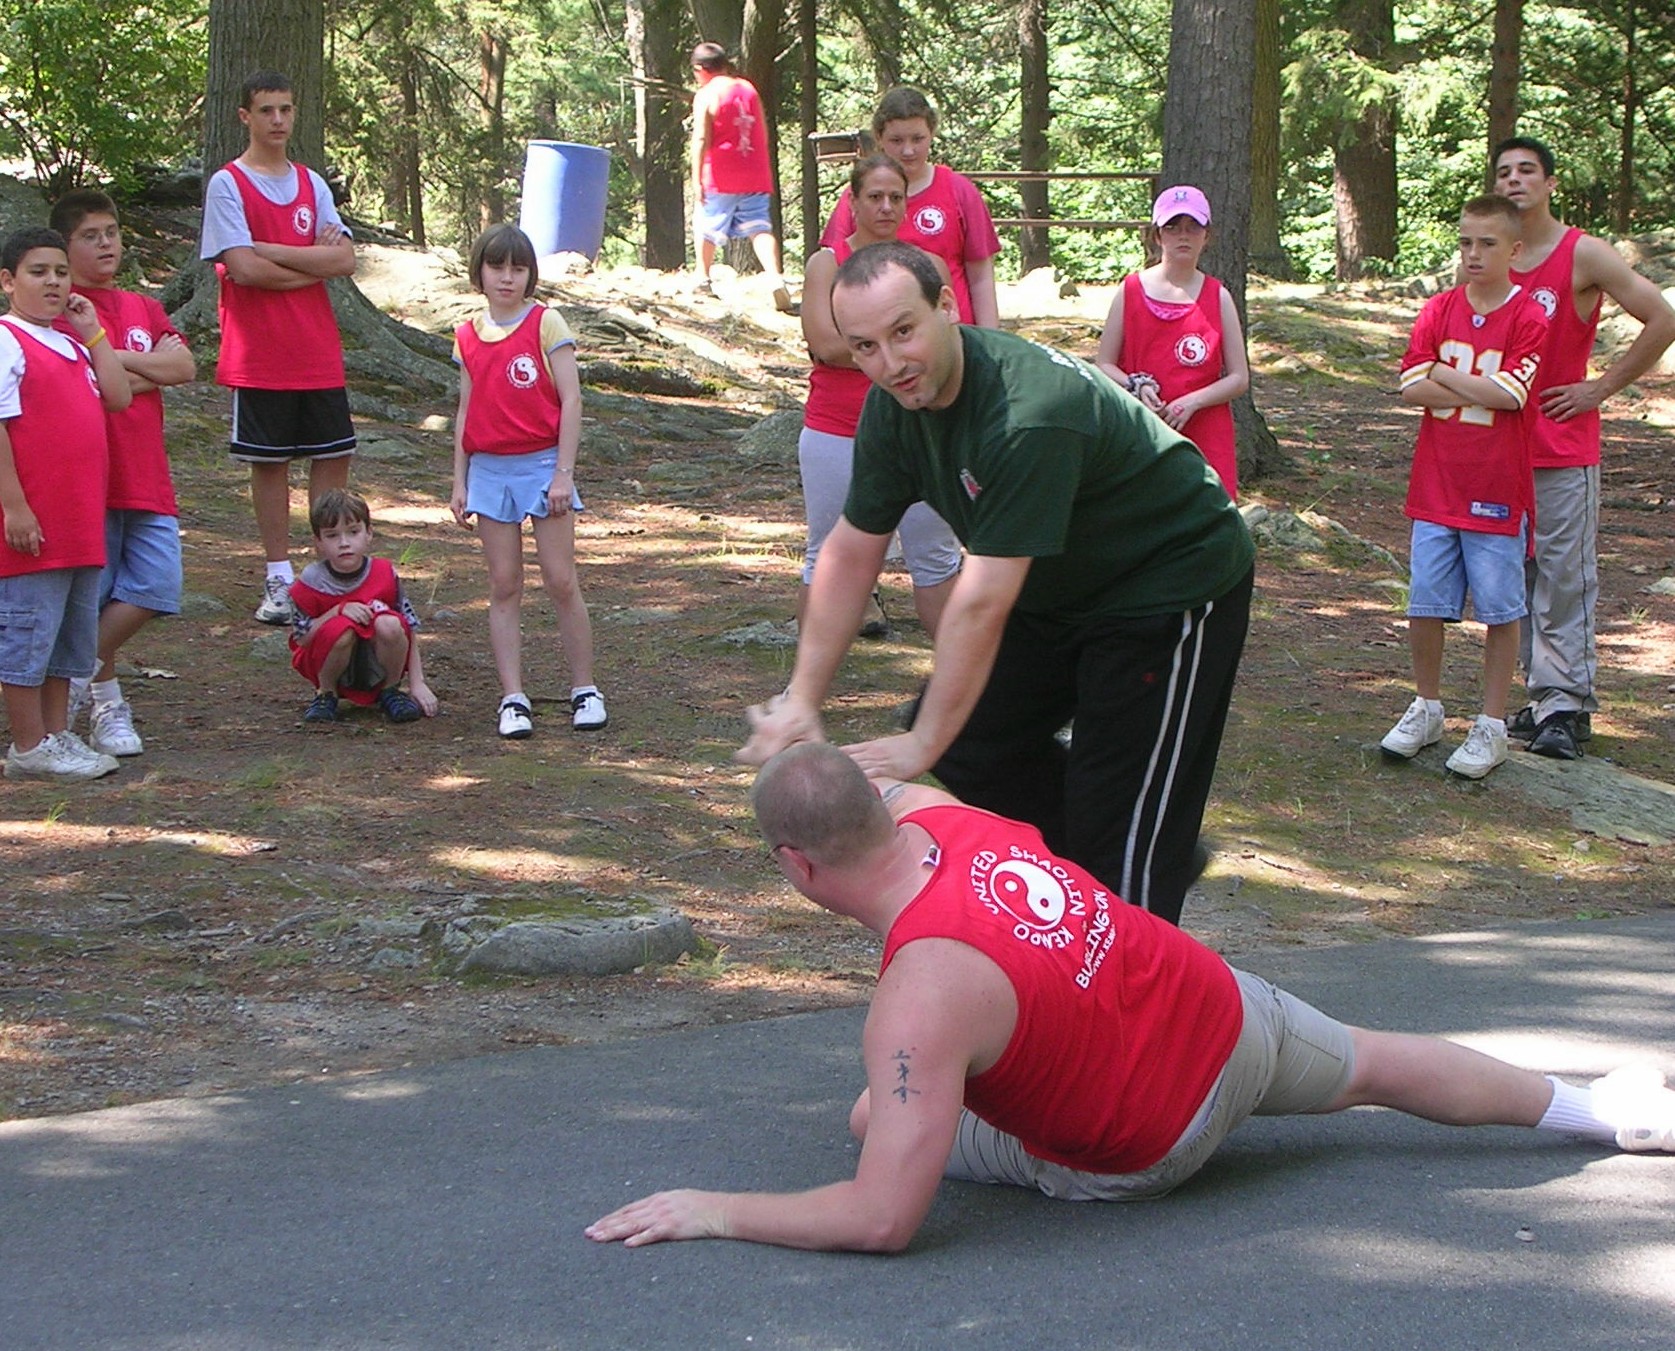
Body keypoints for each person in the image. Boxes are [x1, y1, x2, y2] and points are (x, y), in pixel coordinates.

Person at [587, 744, 1675, 1252]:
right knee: (1375, 1063)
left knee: (879, 1118)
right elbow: (895, 777)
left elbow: (883, 1219)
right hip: (1228, 1018)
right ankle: (1594, 1109)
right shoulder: (944, 815)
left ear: (796, 867)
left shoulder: (915, 1002)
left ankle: (1596, 1109)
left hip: (1151, 1141)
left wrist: (714, 1209)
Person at [739, 242, 1254, 927]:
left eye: (902, 332)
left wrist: (920, 747)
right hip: (1055, 584)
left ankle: (1131, 926)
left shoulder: (1025, 412)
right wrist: (802, 696)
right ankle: (1114, 859)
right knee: (971, 738)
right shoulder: (894, 410)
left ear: (947, 306)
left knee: (1117, 844)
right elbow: (850, 553)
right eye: (863, 347)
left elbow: (980, 600)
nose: (889, 364)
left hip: (1166, 585)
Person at [1491, 136, 1675, 760]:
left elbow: (1662, 317)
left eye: (1527, 171)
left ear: (1549, 183)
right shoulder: (1491, 256)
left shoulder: (1583, 254)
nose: (1515, 180)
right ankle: (1541, 698)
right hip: (1495, 450)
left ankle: (1566, 705)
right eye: (1504, 173)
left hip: (1562, 446)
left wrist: (1600, 388)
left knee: (1563, 577)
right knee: (1510, 577)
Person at [1379, 195, 1549, 780]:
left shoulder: (1529, 316)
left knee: (1501, 608)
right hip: (1436, 484)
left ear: (1514, 251)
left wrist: (1445, 375)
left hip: (1497, 488)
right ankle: (1426, 706)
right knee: (1425, 601)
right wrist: (1475, 385)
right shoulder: (1438, 308)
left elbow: (1511, 397)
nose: (1474, 254)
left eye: (1488, 244)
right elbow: (1408, 386)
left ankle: (1492, 723)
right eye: (1466, 243)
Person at [199, 69, 358, 627]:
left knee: (331, 457)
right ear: (245, 116)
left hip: (317, 349)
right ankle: (277, 575)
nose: (277, 121)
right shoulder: (228, 184)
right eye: (265, 110)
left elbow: (342, 260)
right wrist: (302, 263)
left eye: (285, 110)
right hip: (259, 352)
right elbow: (241, 268)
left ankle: (330, 571)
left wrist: (269, 251)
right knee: (268, 466)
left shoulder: (312, 184)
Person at [49, 189, 195, 759]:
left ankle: (75, 674)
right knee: (97, 597)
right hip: (92, 478)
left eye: (110, 231)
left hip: (147, 476)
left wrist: (112, 361)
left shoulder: (141, 307)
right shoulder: (61, 310)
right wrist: (141, 370)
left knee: (159, 587)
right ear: (65, 246)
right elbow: (91, 388)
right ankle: (107, 707)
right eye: (91, 235)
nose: (106, 242)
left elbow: (182, 366)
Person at [452, 224, 606, 739]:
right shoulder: (468, 334)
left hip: (543, 466)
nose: (507, 278)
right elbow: (466, 410)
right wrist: (460, 480)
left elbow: (571, 400)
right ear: (480, 271)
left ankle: (584, 688)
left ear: (529, 275)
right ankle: (513, 697)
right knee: (504, 584)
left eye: (518, 268)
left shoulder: (547, 323)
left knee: (561, 580)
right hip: (490, 469)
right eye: (497, 267)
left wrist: (564, 472)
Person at [800, 154, 960, 637]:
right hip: (836, 426)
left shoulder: (926, 266)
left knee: (936, 556)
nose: (886, 207)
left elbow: (949, 341)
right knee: (826, 552)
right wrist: (904, 346)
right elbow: (825, 344)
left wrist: (869, 349)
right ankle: (803, 693)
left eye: (896, 197)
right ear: (852, 202)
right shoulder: (827, 264)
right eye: (874, 196)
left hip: (921, 425)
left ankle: (960, 689)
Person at [0, 226, 133, 780]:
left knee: (67, 636)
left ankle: (57, 735)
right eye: (38, 272)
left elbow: (120, 397)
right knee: (28, 630)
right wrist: (15, 507)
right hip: (36, 523)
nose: (53, 282)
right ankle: (28, 744)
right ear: (8, 282)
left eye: (60, 271)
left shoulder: (72, 344)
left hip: (80, 522)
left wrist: (94, 333)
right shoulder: (8, 340)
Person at [1094, 185, 1249, 499]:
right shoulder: (1131, 290)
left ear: (1207, 236)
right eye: (1173, 227)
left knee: (1204, 517)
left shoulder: (1218, 297)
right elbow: (1104, 364)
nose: (1183, 235)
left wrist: (1193, 401)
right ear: (1157, 235)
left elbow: (1238, 378)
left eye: (1193, 227)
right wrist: (1135, 385)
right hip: (1142, 428)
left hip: (1204, 431)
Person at [820, 87, 1002, 327]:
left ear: (932, 134)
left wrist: (988, 344)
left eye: (918, 139)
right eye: (896, 140)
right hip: (881, 338)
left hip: (951, 335)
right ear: (879, 138)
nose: (908, 151)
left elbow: (980, 277)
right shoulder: (857, 197)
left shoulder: (959, 191)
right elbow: (835, 267)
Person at [288, 488, 436, 725]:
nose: (344, 543)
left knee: (389, 623)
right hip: (328, 657)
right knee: (342, 631)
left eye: (353, 532)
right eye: (332, 535)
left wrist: (418, 683)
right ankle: (326, 695)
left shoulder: (384, 573)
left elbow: (408, 625)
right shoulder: (311, 580)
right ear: (319, 542)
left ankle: (390, 690)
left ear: (368, 534)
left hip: (376, 658)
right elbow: (302, 638)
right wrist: (336, 612)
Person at [688, 42, 792, 312]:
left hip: (721, 173)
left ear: (700, 70)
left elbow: (701, 137)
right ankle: (774, 276)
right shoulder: (748, 89)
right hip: (755, 169)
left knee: (706, 223)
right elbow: (764, 131)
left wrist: (696, 177)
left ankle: (702, 277)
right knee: (759, 227)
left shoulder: (707, 94)